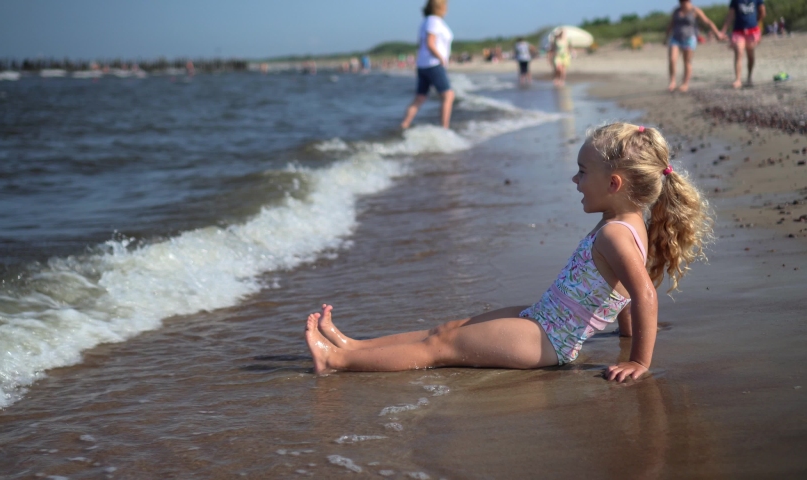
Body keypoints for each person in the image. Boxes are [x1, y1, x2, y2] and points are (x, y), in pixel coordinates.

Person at [304, 123, 714, 382]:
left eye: (582, 171)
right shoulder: (631, 224)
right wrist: (625, 335)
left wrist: (639, 360)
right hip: (542, 318)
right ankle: (353, 346)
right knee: (446, 330)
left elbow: (642, 293)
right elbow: (625, 287)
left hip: (550, 339)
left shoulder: (616, 235)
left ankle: (336, 363)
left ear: (615, 183)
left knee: (441, 350)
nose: (574, 179)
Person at [400, 0, 455, 129]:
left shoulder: (426, 21)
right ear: (439, 7)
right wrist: (441, 58)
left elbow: (421, 44)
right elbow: (430, 43)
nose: (447, 8)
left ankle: (404, 125)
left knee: (420, 97)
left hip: (423, 65)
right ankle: (444, 128)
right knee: (448, 95)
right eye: (445, 5)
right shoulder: (434, 20)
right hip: (433, 64)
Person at [664, 0, 725, 92]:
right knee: (672, 59)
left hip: (689, 38)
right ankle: (672, 82)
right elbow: (671, 24)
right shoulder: (676, 11)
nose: (682, 2)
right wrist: (666, 37)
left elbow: (707, 22)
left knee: (687, 61)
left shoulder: (695, 11)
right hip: (675, 38)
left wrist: (717, 33)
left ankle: (685, 84)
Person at [720, 0, 766, 89]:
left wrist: (757, 24)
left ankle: (749, 77)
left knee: (750, 55)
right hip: (738, 31)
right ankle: (738, 80)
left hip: (752, 30)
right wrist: (723, 31)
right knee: (739, 52)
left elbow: (763, 12)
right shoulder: (735, 1)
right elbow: (730, 16)